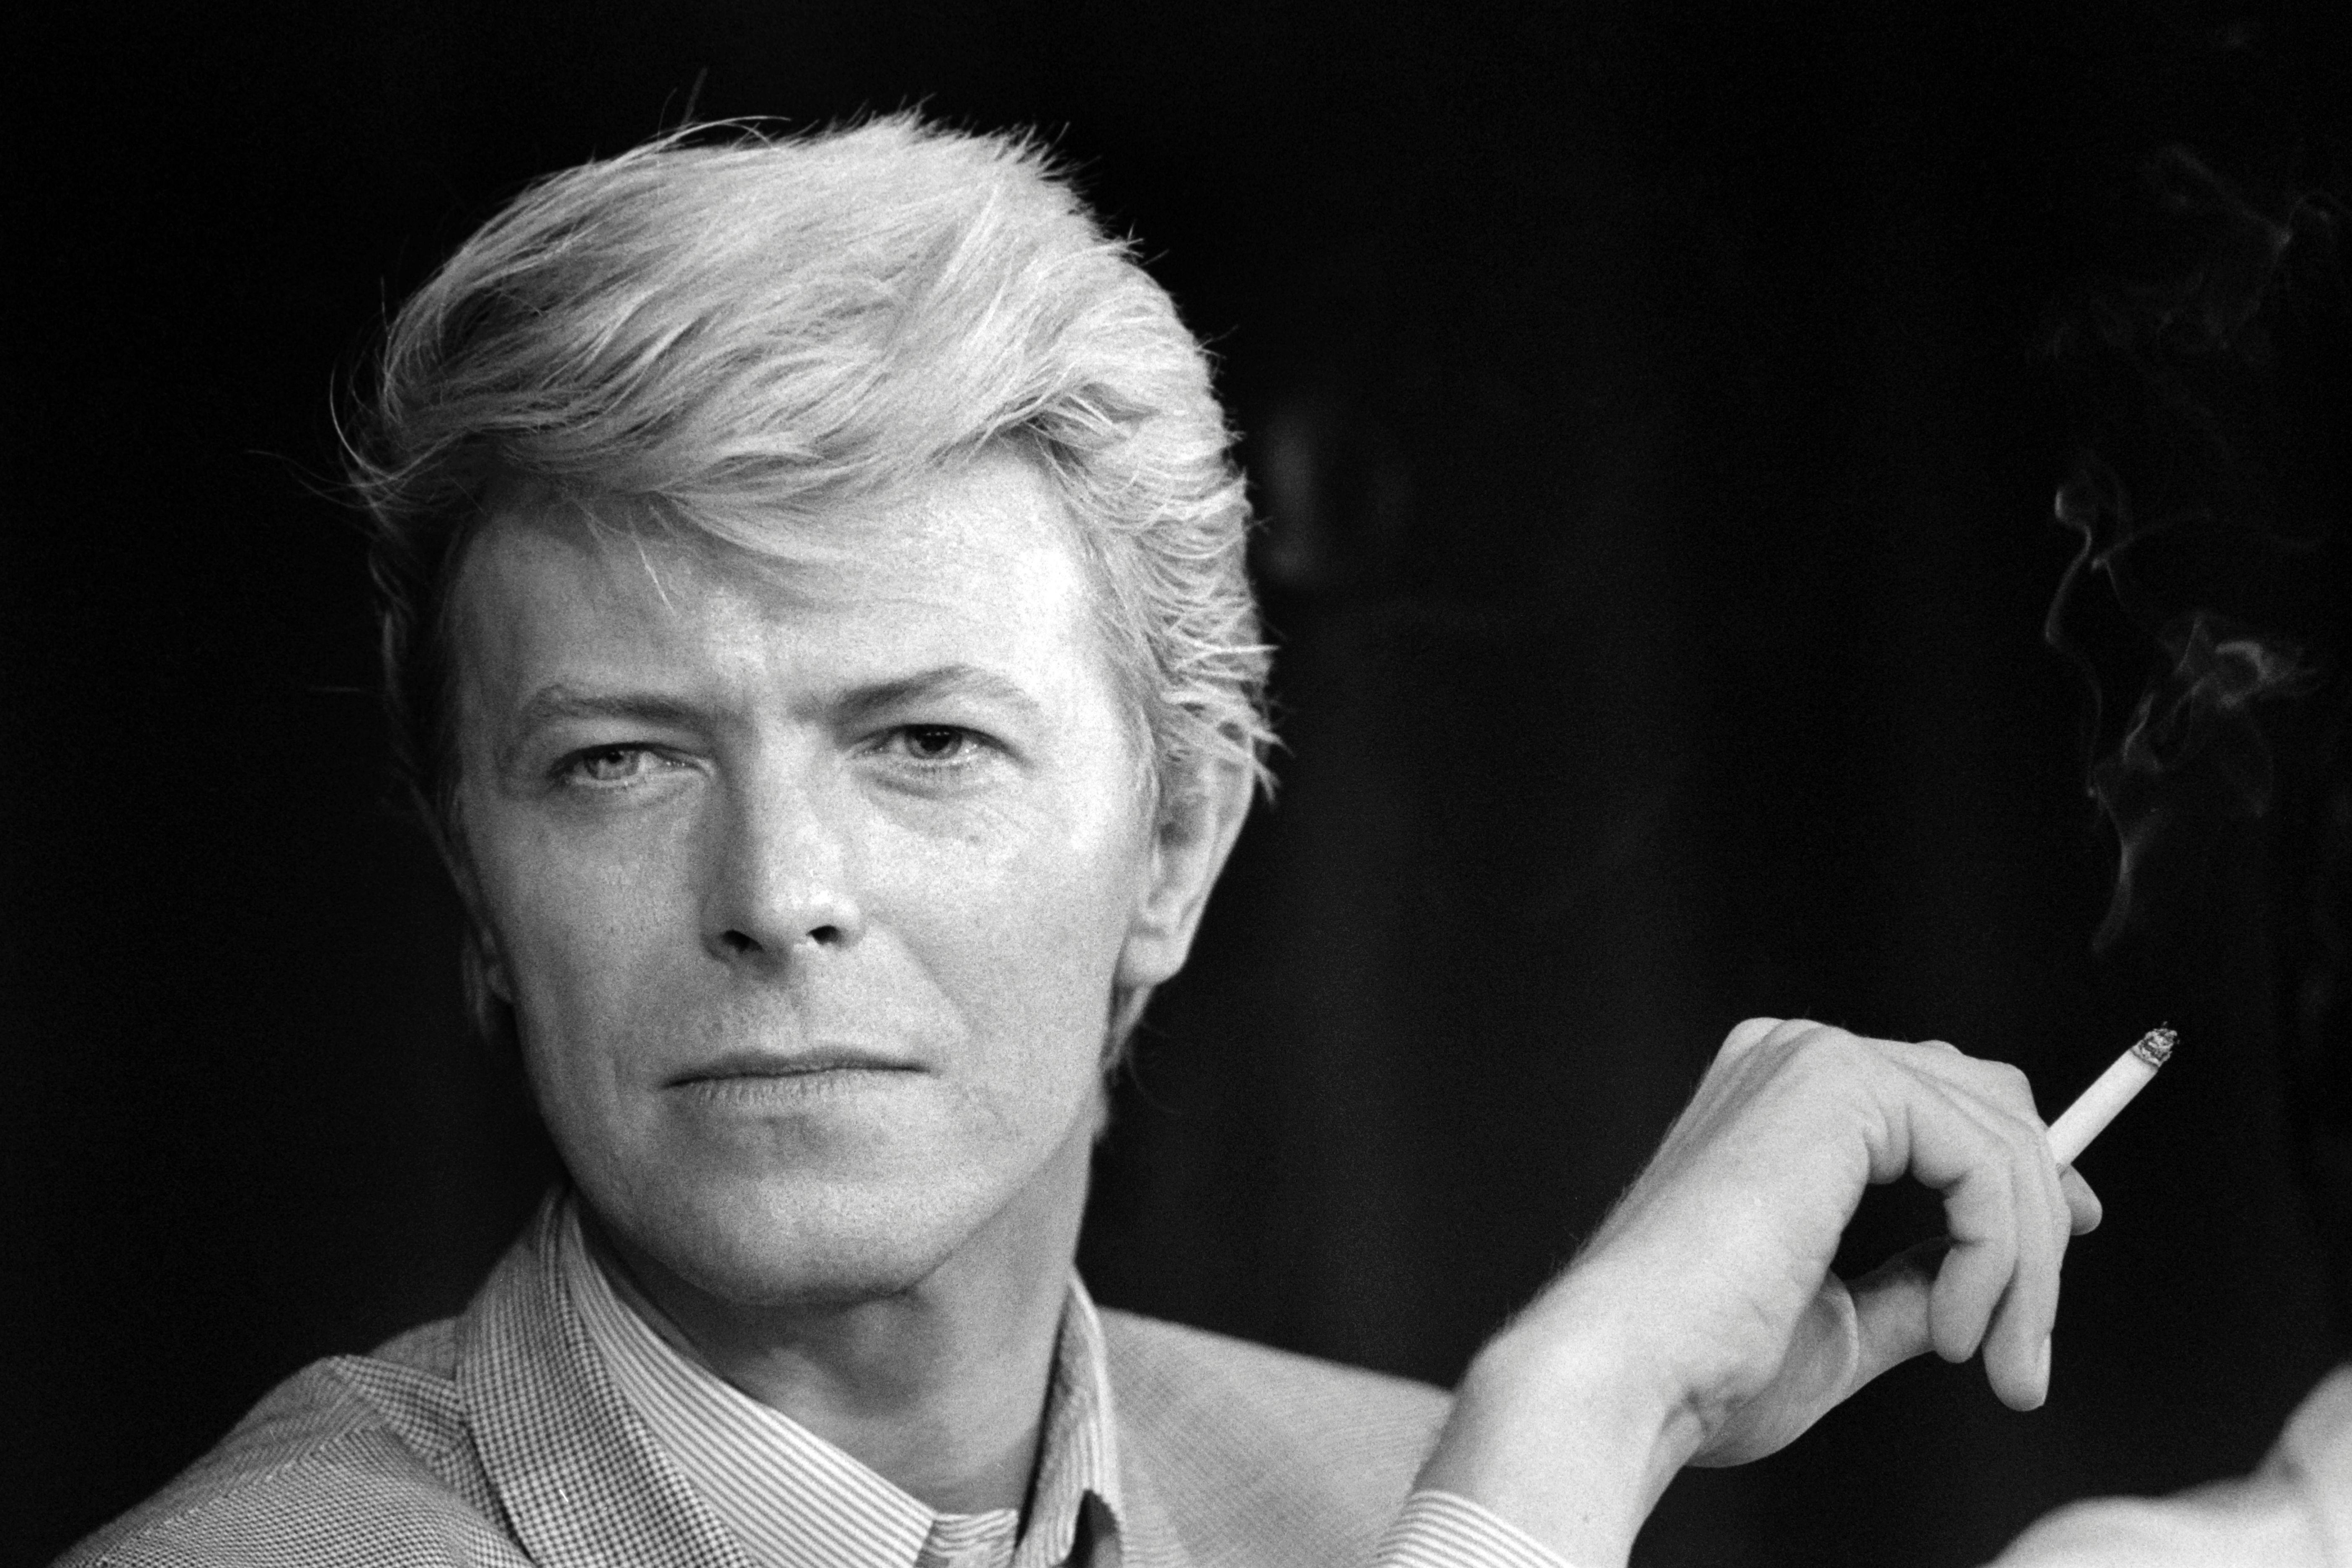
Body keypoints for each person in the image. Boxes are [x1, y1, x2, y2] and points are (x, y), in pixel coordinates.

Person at [58, 116, 2097, 1568]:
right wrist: (1582, 1415)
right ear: (474, 885)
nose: (777, 897)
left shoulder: (1392, 1501)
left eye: (926, 742)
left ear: (1178, 847)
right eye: (619, 763)